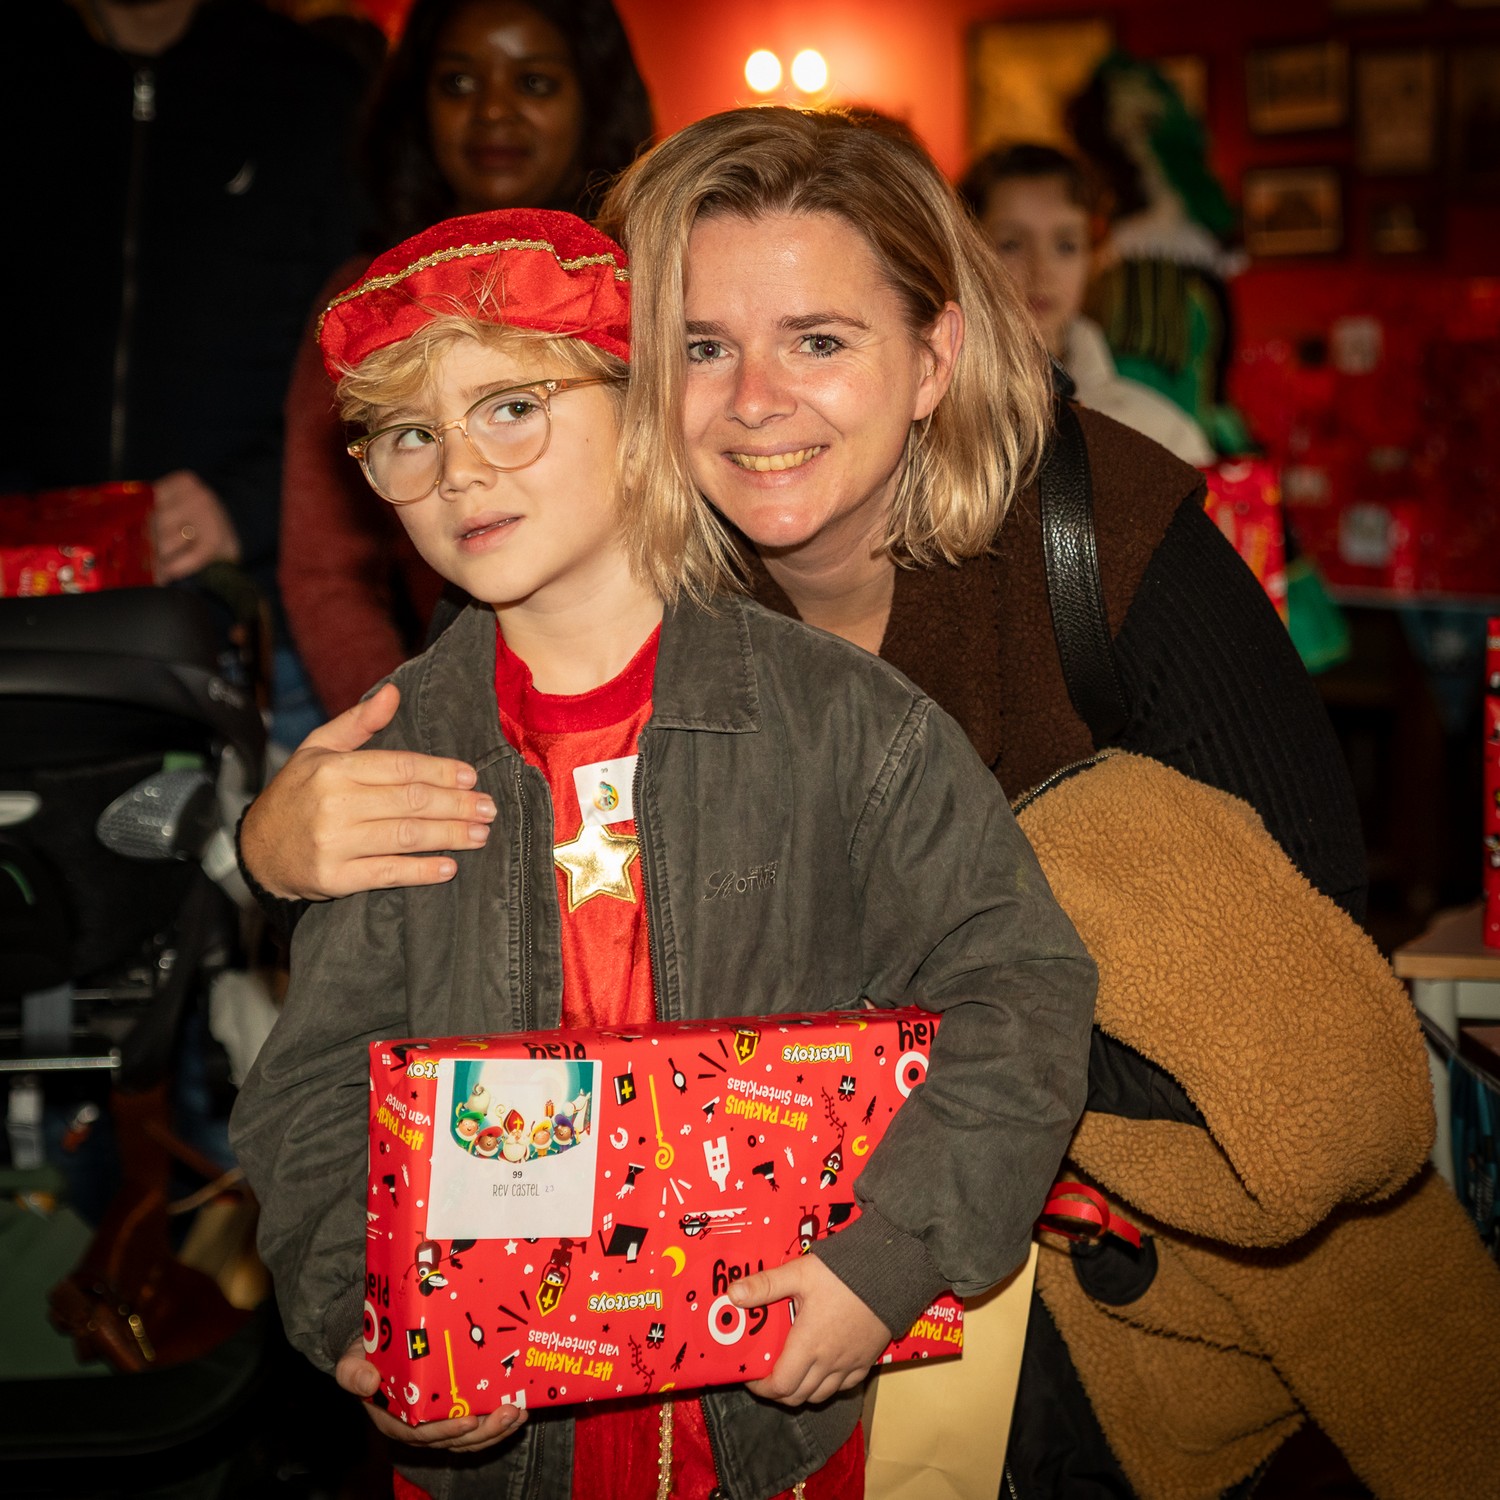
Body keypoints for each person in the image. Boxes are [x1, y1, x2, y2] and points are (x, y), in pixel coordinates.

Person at [236, 108, 1368, 1488]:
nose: (756, 401)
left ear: (933, 357)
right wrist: (370, 1324)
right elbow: (319, 1080)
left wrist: (892, 1225)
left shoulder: (962, 639)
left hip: (938, 1297)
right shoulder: (444, 712)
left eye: (820, 340)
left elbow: (1052, 980)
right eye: (706, 347)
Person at [230, 208, 1097, 1500]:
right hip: (500, 1441)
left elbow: (1022, 991)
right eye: (408, 437)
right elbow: (311, 1094)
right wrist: (374, 1322)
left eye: (510, 409)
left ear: (640, 410)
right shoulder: (392, 773)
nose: (458, 472)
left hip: (782, 1430)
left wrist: (887, 1262)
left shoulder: (847, 725)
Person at [278, 0, 653, 718]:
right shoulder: (366, 313)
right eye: (457, 83)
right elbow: (327, 574)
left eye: (534, 83)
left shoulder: (653, 281)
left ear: (592, 99)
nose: (493, 112)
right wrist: (407, 729)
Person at [6, 0, 363, 745]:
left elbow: (365, 347)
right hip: (22, 609)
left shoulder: (314, 90)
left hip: (255, 621)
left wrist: (243, 505)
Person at [959, 142, 1214, 466]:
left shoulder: (1160, 435)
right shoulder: (932, 422)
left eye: (1066, 245)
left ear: (1094, 258)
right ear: (967, 252)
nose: (1041, 270)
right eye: (1011, 244)